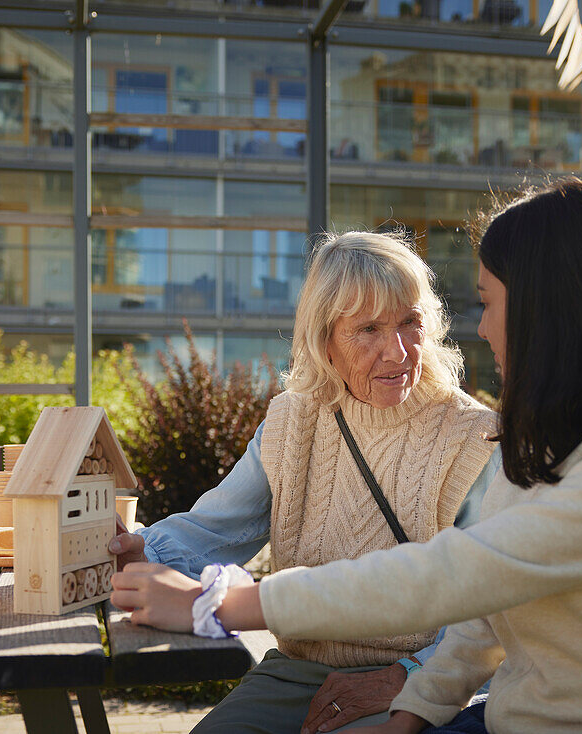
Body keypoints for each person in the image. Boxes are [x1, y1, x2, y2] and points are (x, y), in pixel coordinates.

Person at [112, 178, 582, 734]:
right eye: (368, 329)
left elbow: (455, 573)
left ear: (549, 312)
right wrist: (413, 714)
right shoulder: (556, 438)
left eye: (487, 302)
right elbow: (488, 609)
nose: (478, 327)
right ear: (325, 341)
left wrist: (223, 604)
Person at [108, 229, 500, 733]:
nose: (398, 352)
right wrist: (130, 549)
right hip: (297, 674)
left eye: (410, 322)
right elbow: (212, 530)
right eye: (369, 330)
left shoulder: (473, 440)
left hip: (419, 681)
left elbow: (490, 614)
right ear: (325, 341)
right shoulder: (293, 422)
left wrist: (404, 676)